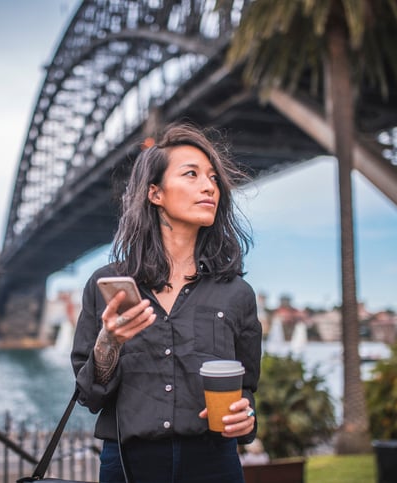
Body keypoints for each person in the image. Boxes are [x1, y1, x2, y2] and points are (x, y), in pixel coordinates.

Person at [71, 122, 262, 482]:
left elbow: (247, 388)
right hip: (129, 465)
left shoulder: (236, 293)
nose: (209, 186)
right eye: (191, 174)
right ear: (155, 193)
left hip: (214, 464)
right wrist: (108, 343)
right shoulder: (106, 285)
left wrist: (246, 417)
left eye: (213, 178)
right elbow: (89, 396)